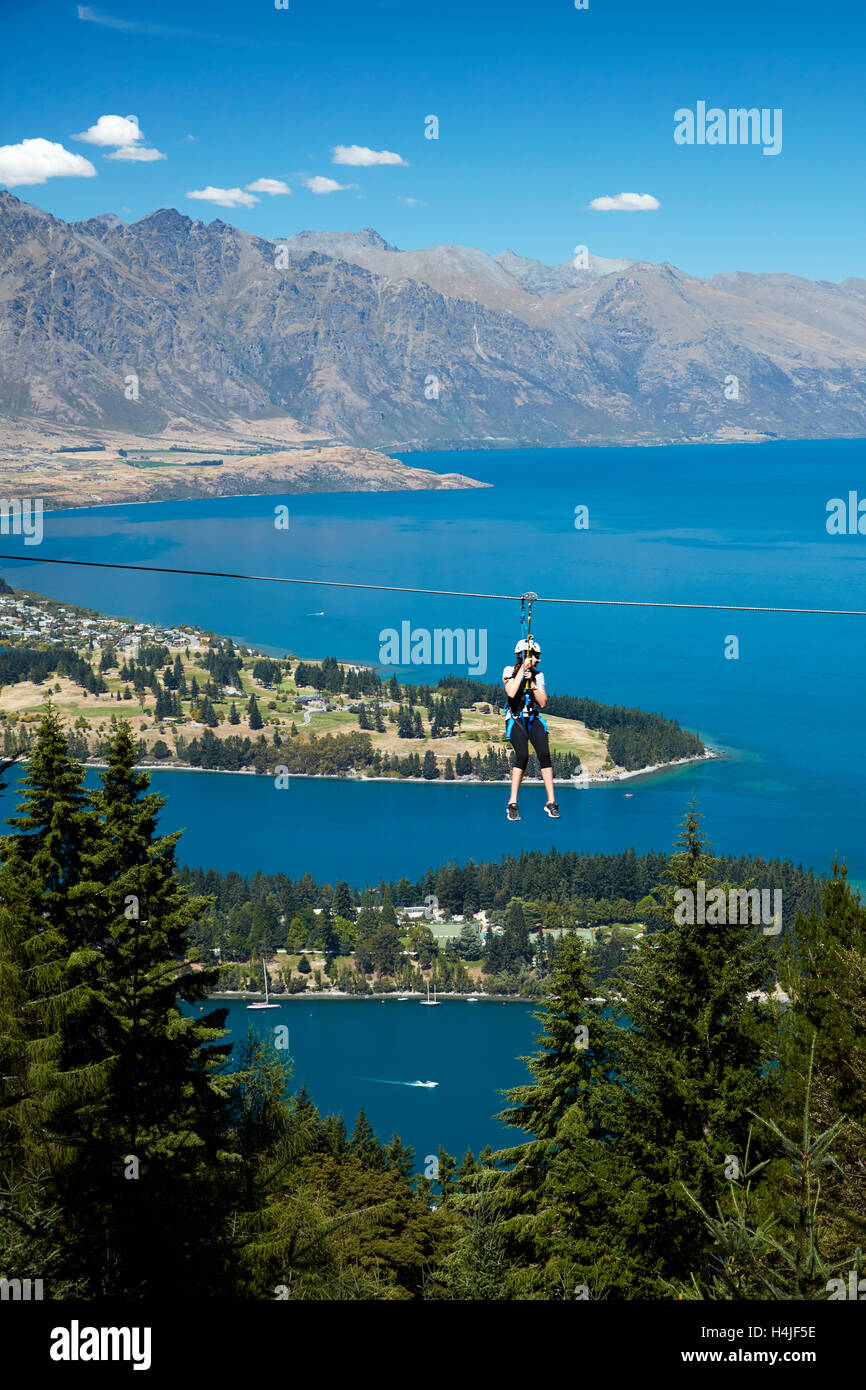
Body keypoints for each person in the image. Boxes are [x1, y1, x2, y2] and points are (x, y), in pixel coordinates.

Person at [502, 638, 560, 821]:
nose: (539, 660)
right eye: (536, 657)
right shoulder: (508, 671)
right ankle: (512, 803)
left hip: (533, 717)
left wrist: (532, 683)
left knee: (544, 754)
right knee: (523, 756)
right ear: (525, 656)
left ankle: (551, 802)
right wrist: (522, 673)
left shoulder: (538, 675)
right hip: (516, 718)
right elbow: (511, 692)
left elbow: (542, 702)